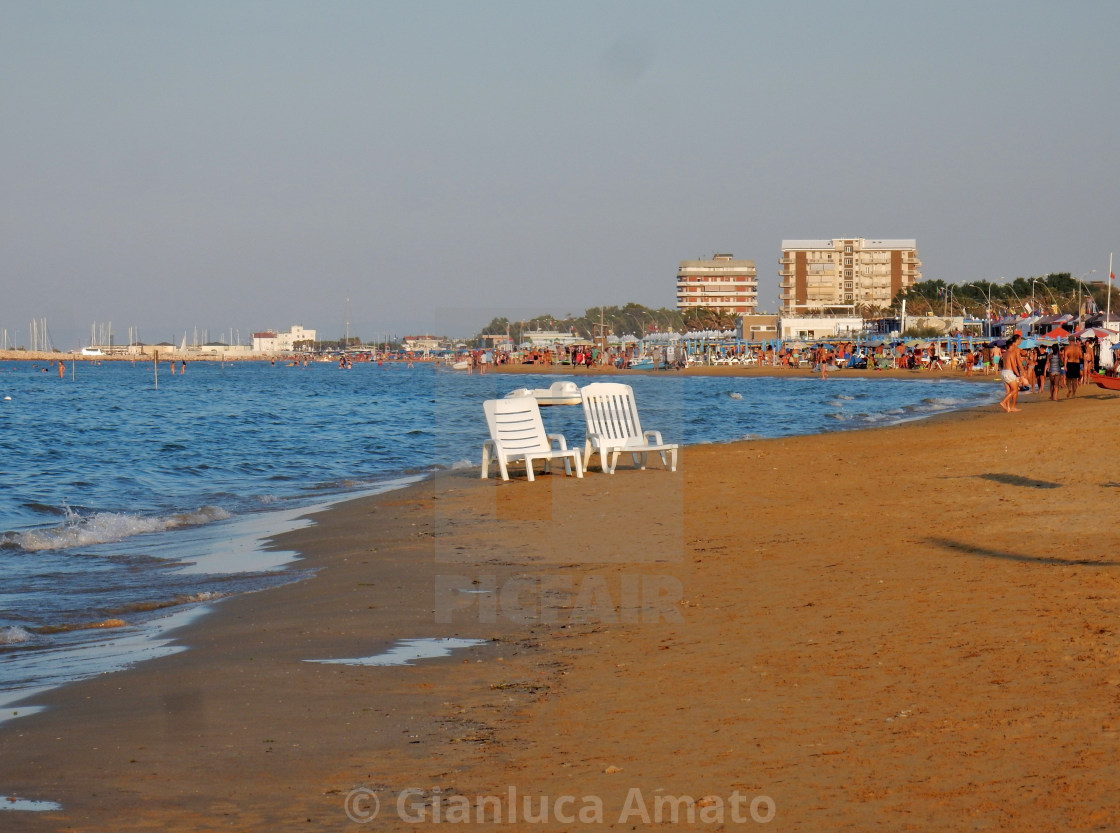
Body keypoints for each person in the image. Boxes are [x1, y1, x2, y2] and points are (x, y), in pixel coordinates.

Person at [998, 333, 1024, 412]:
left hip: (1003, 372)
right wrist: (1019, 375)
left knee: (1008, 391)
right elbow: (1014, 365)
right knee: (1015, 390)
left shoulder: (1005, 354)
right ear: (1011, 346)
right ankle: (1004, 403)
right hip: (1009, 373)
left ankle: (1008, 408)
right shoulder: (1011, 353)